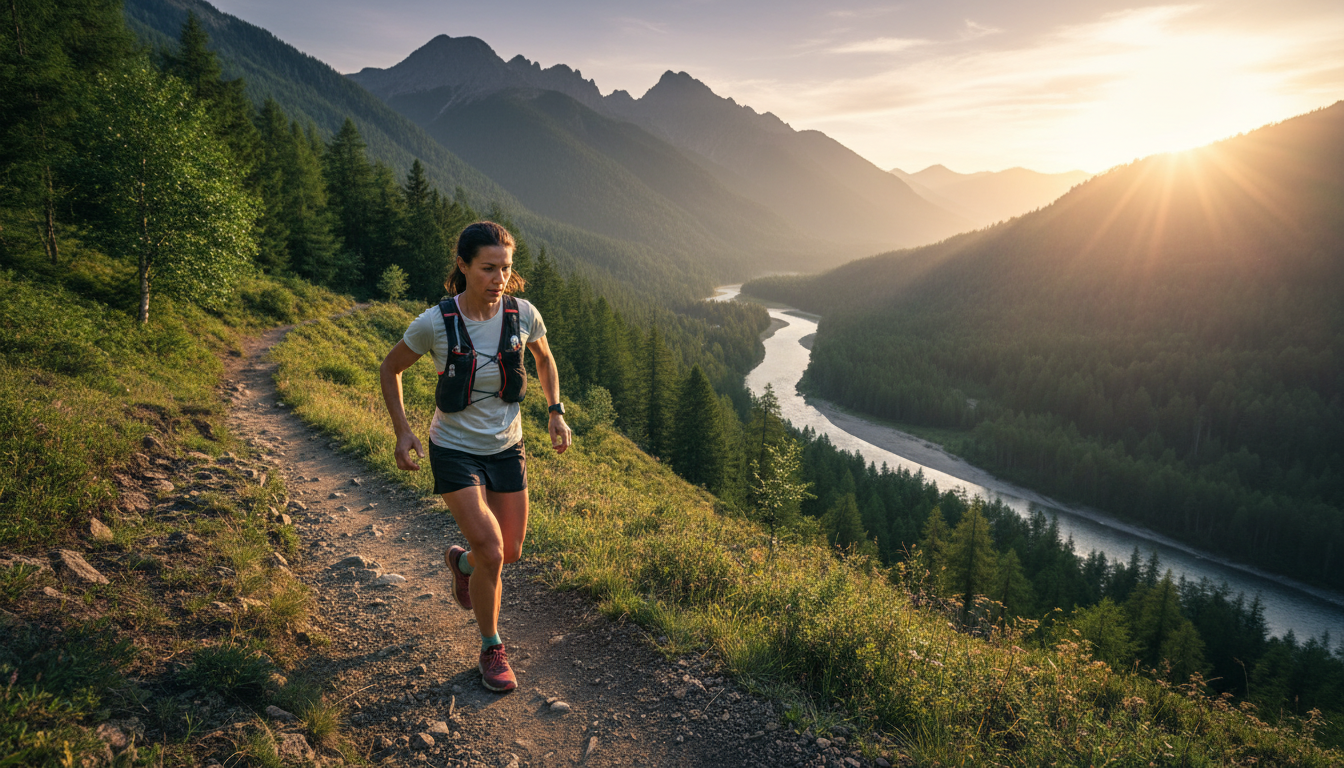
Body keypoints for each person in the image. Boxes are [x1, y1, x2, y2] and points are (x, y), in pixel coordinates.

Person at [379, 221, 571, 692]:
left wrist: (555, 412)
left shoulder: (524, 314)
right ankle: (492, 646)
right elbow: (391, 368)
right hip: (454, 450)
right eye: (488, 268)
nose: (498, 277)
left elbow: (544, 359)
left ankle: (462, 564)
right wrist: (402, 431)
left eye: (505, 268)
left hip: (508, 448)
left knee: (509, 552)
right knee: (492, 548)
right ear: (463, 266)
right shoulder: (435, 323)